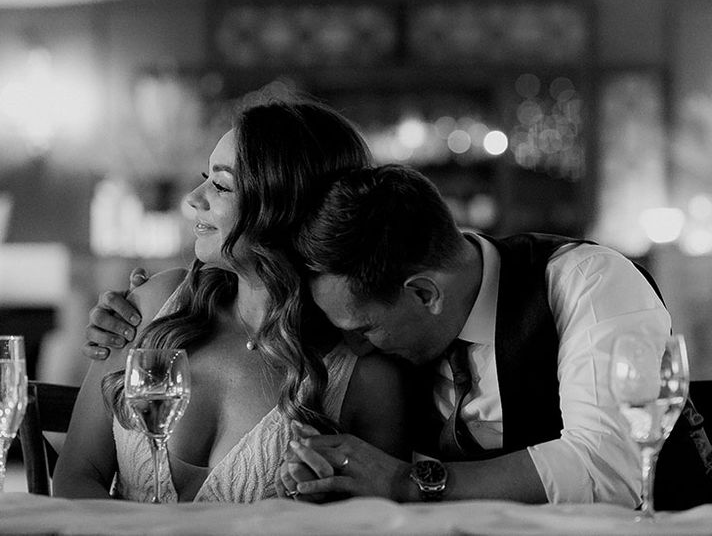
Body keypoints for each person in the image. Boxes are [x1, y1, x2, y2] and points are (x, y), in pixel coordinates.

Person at [54, 102, 413, 502]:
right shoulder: (152, 305)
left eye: (221, 186)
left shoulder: (365, 377)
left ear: (285, 207)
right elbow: (76, 478)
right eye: (205, 178)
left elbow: (380, 524)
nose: (193, 198)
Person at [276, 163, 676, 506]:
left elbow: (608, 470)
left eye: (364, 328)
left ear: (424, 293)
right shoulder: (394, 359)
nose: (355, 348)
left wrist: (408, 483)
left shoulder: (587, 281)